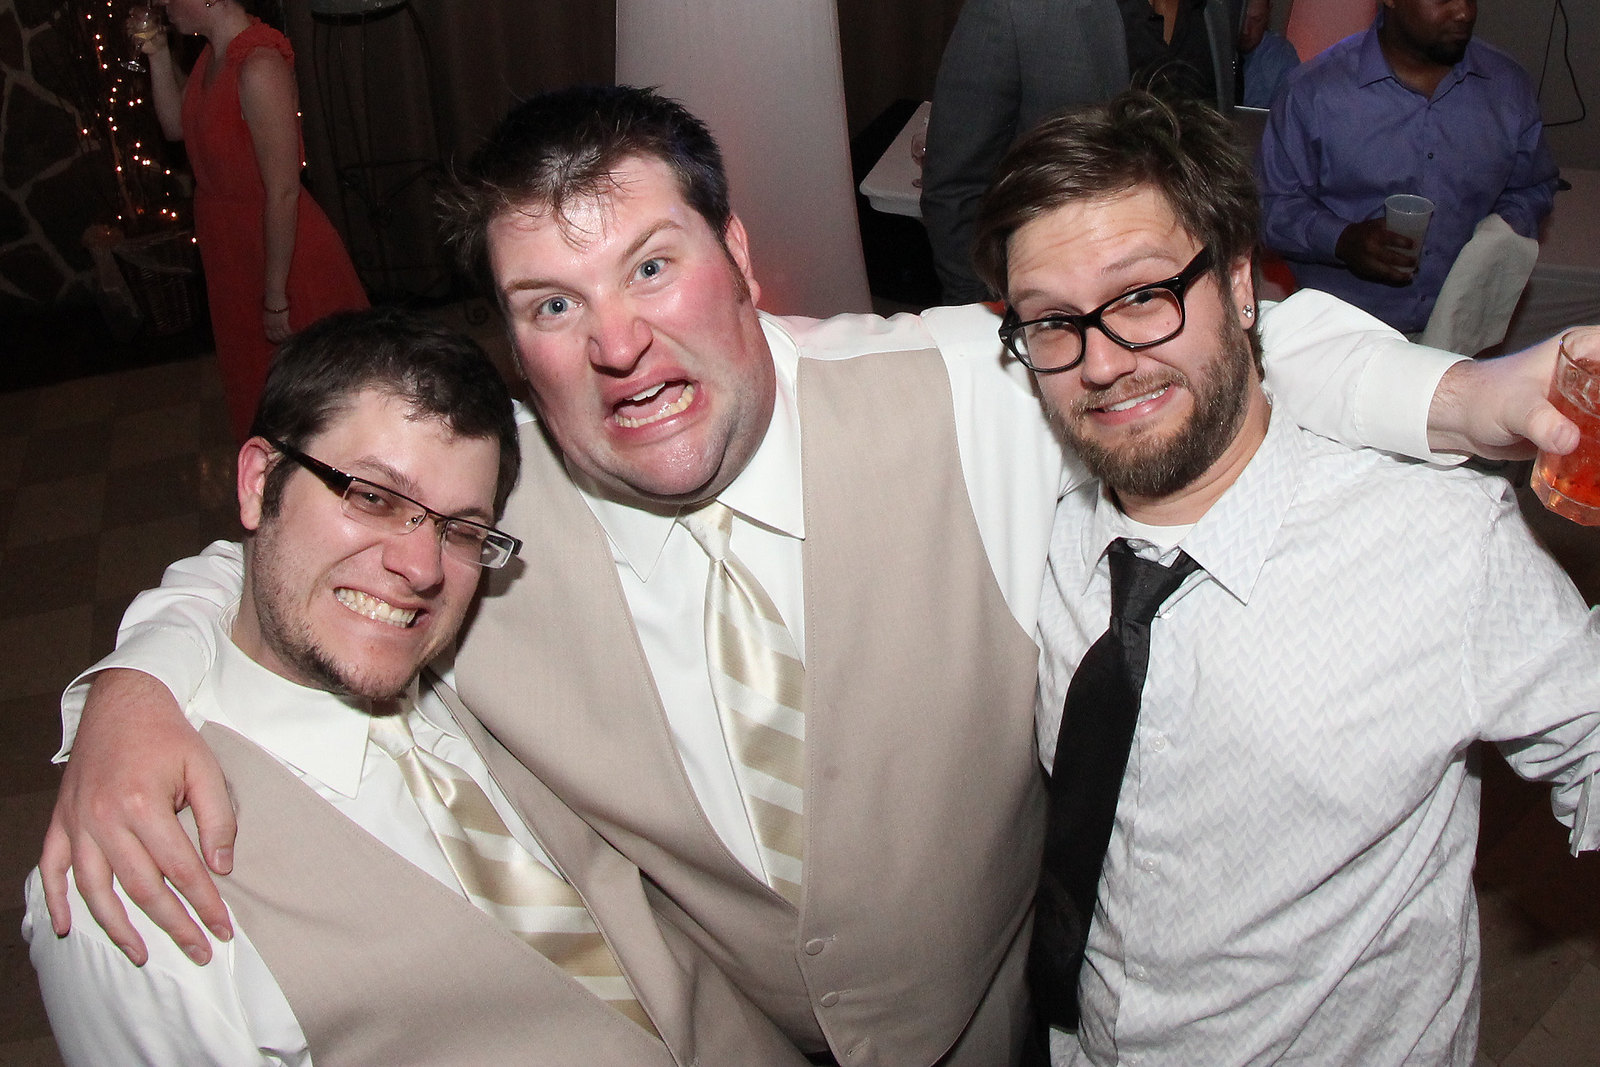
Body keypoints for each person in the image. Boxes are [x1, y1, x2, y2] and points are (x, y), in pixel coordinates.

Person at [36, 86, 1582, 1067]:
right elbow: (296, 544)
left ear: (741, 253)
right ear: (511, 342)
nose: (619, 341)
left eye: (653, 265)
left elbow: (1187, 338)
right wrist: (130, 684)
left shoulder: (949, 387)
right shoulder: (478, 517)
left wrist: (1467, 398)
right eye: (552, 304)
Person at [973, 90, 1600, 1066]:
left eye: (1142, 295)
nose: (1100, 362)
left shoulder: (1436, 541)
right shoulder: (1044, 527)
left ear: (1237, 285)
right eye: (1054, 321)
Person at [23, 308, 808, 1067]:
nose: (422, 567)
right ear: (259, 481)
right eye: (372, 496)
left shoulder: (477, 650)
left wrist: (134, 679)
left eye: (461, 528)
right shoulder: (133, 882)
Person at [133, 0, 368, 441]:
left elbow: (283, 191)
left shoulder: (259, 65)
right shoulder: (212, 55)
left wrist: (276, 294)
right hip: (231, 246)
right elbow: (175, 126)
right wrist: (158, 55)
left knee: (322, 409)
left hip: (281, 252)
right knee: (263, 400)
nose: (162, 2)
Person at [1257, 0, 1557, 334]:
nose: (1464, 12)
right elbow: (1272, 209)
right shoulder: (1313, 92)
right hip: (1341, 334)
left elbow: (1533, 186)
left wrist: (1495, 238)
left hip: (1459, 334)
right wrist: (1342, 240)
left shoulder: (1507, 86)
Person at [921, 0, 1245, 304]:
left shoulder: (1220, 8)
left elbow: (1214, 165)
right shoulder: (1015, 9)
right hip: (1055, 308)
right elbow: (955, 186)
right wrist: (983, 313)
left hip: (1184, 295)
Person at [1236, 0, 1298, 107]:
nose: (1246, 30)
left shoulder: (1282, 57)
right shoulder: (1211, 48)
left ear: (1267, 15)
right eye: (1240, 18)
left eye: (1256, 20)